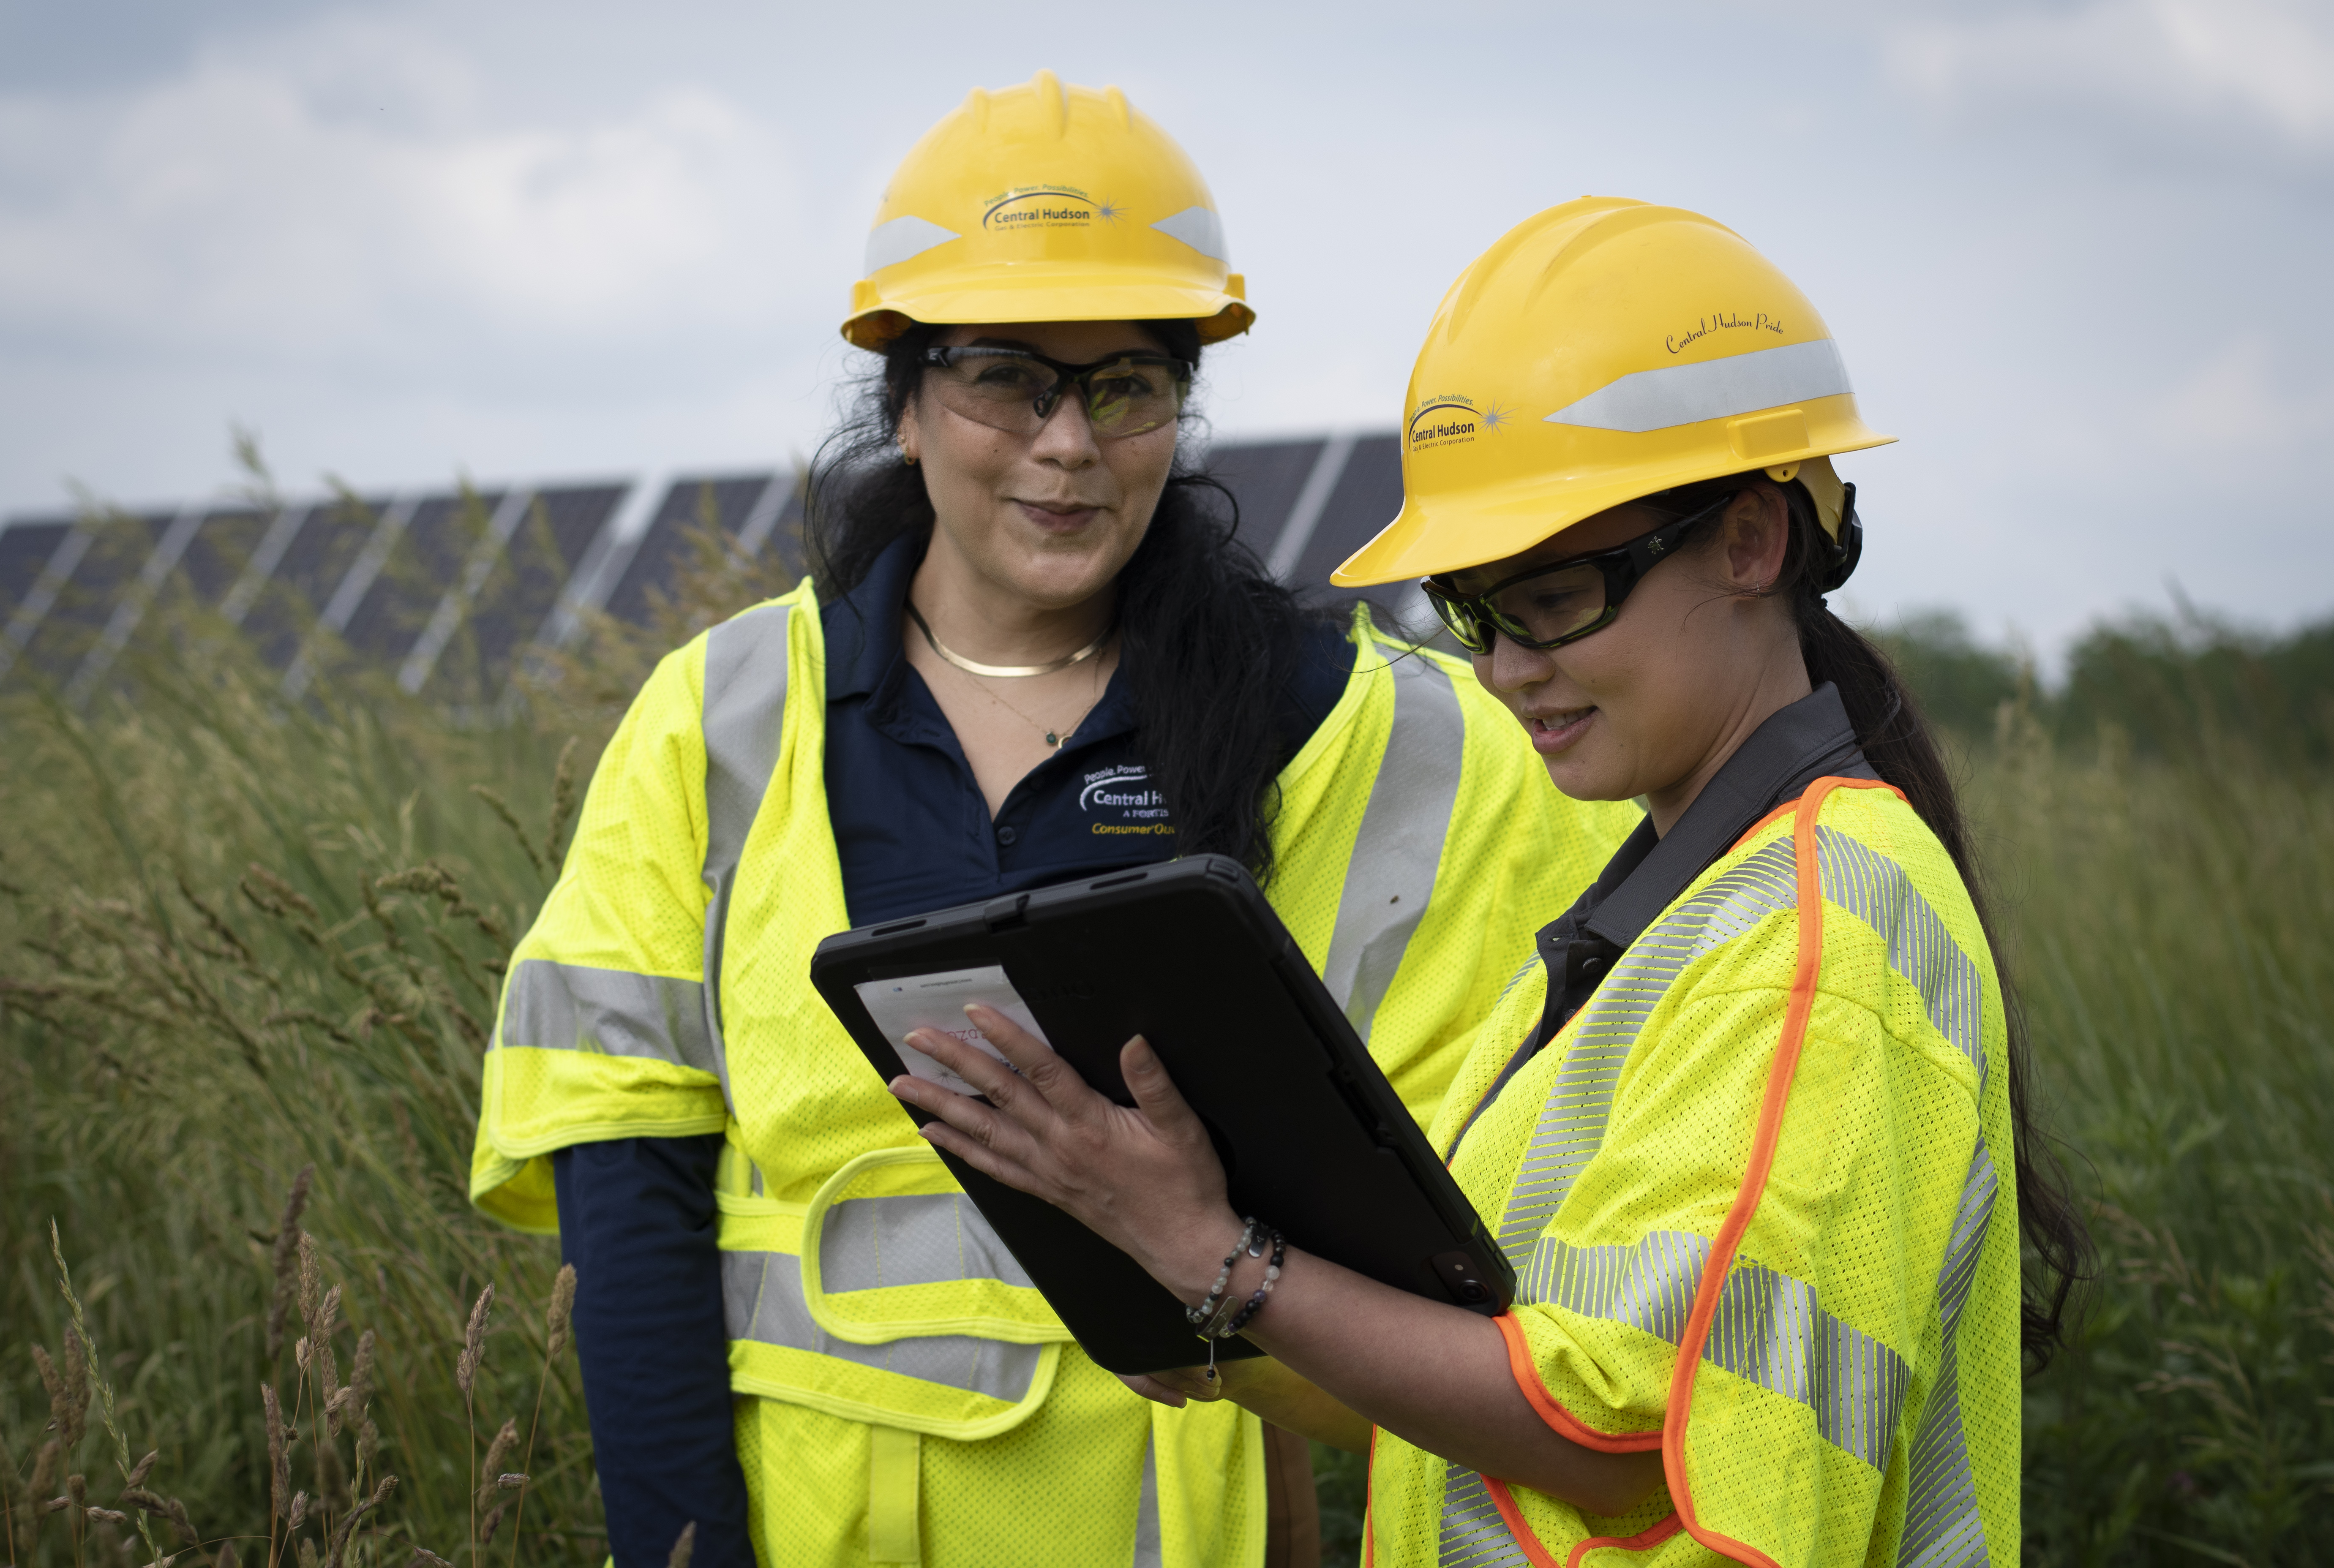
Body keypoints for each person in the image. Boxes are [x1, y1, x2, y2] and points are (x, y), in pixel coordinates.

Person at [469, 81, 1634, 1568]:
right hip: (820, 1530)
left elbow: (1558, 1177)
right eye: (1010, 382)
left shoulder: (1366, 726)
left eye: (1128, 386)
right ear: (903, 397)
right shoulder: (728, 718)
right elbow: (627, 1186)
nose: (1070, 445)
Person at [888, 197, 2092, 1567]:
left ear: (1753, 544)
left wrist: (1224, 1258)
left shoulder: (1819, 935)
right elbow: (1501, 1362)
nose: (1510, 666)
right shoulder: (1661, 919)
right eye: (1477, 611)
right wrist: (1195, 1291)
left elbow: (1613, 1428)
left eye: (1559, 597)